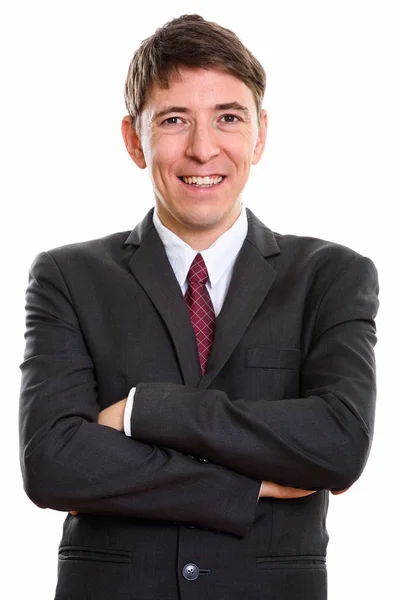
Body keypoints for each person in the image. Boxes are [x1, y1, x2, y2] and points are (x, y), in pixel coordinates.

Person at [19, 13, 379, 600]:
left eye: (229, 119)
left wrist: (144, 412)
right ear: (134, 140)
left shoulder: (332, 276)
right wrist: (249, 486)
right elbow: (53, 463)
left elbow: (338, 445)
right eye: (174, 120)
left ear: (260, 136)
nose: (202, 148)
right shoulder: (67, 276)